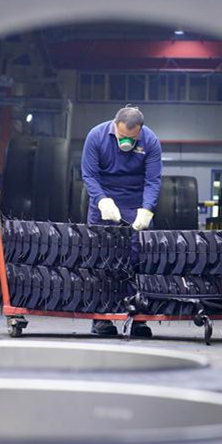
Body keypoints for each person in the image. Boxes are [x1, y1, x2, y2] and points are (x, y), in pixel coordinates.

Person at [81, 105, 162, 337]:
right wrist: (101, 200)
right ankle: (102, 319)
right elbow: (89, 175)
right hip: (104, 204)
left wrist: (147, 209)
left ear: (140, 131)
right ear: (114, 126)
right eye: (122, 136)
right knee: (101, 260)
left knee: (139, 262)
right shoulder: (96, 136)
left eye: (132, 138)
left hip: (136, 204)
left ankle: (138, 319)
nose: (126, 142)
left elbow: (153, 180)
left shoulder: (151, 141)